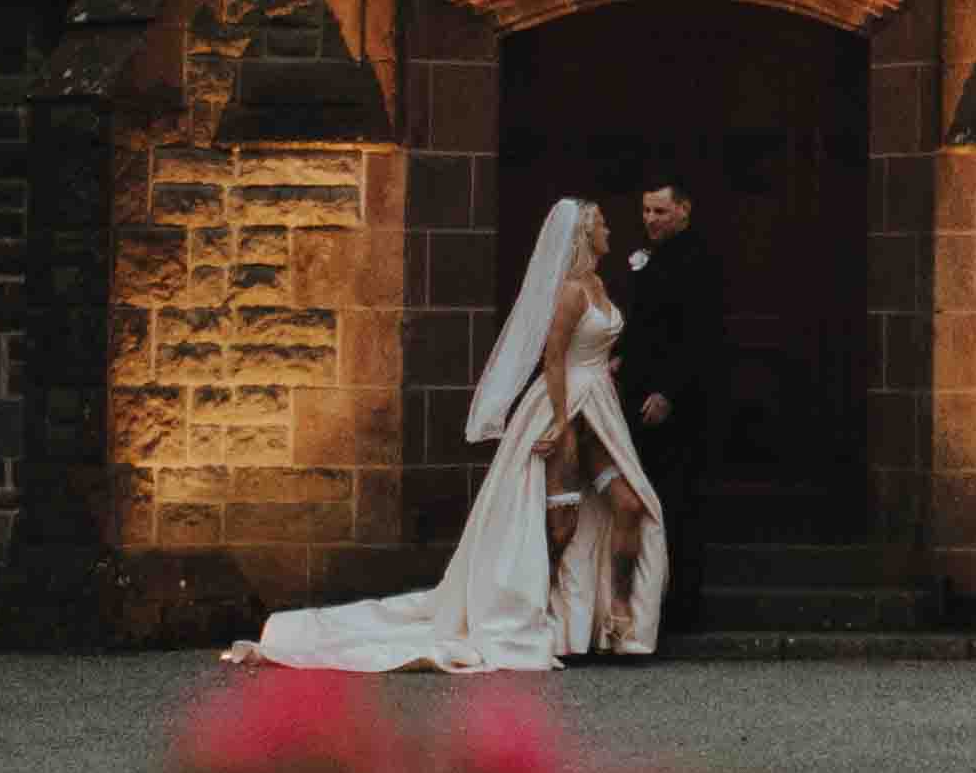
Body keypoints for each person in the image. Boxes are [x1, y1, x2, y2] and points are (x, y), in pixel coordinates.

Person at [225, 197, 668, 671]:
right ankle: (548, 616)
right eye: (600, 222)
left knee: (629, 504)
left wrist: (611, 366)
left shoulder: (596, 284)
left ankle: (615, 616)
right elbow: (554, 359)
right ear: (583, 232)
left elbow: (591, 346)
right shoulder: (569, 293)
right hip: (566, 407)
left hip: (599, 405)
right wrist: (559, 422)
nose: (608, 228)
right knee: (560, 521)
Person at [609, 176, 714, 495]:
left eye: (660, 211)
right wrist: (620, 355)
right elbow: (644, 319)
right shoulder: (652, 253)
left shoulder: (699, 259)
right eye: (646, 210)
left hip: (674, 394)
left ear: (684, 210)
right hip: (637, 385)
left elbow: (698, 332)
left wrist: (668, 392)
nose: (650, 218)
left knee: (672, 483)